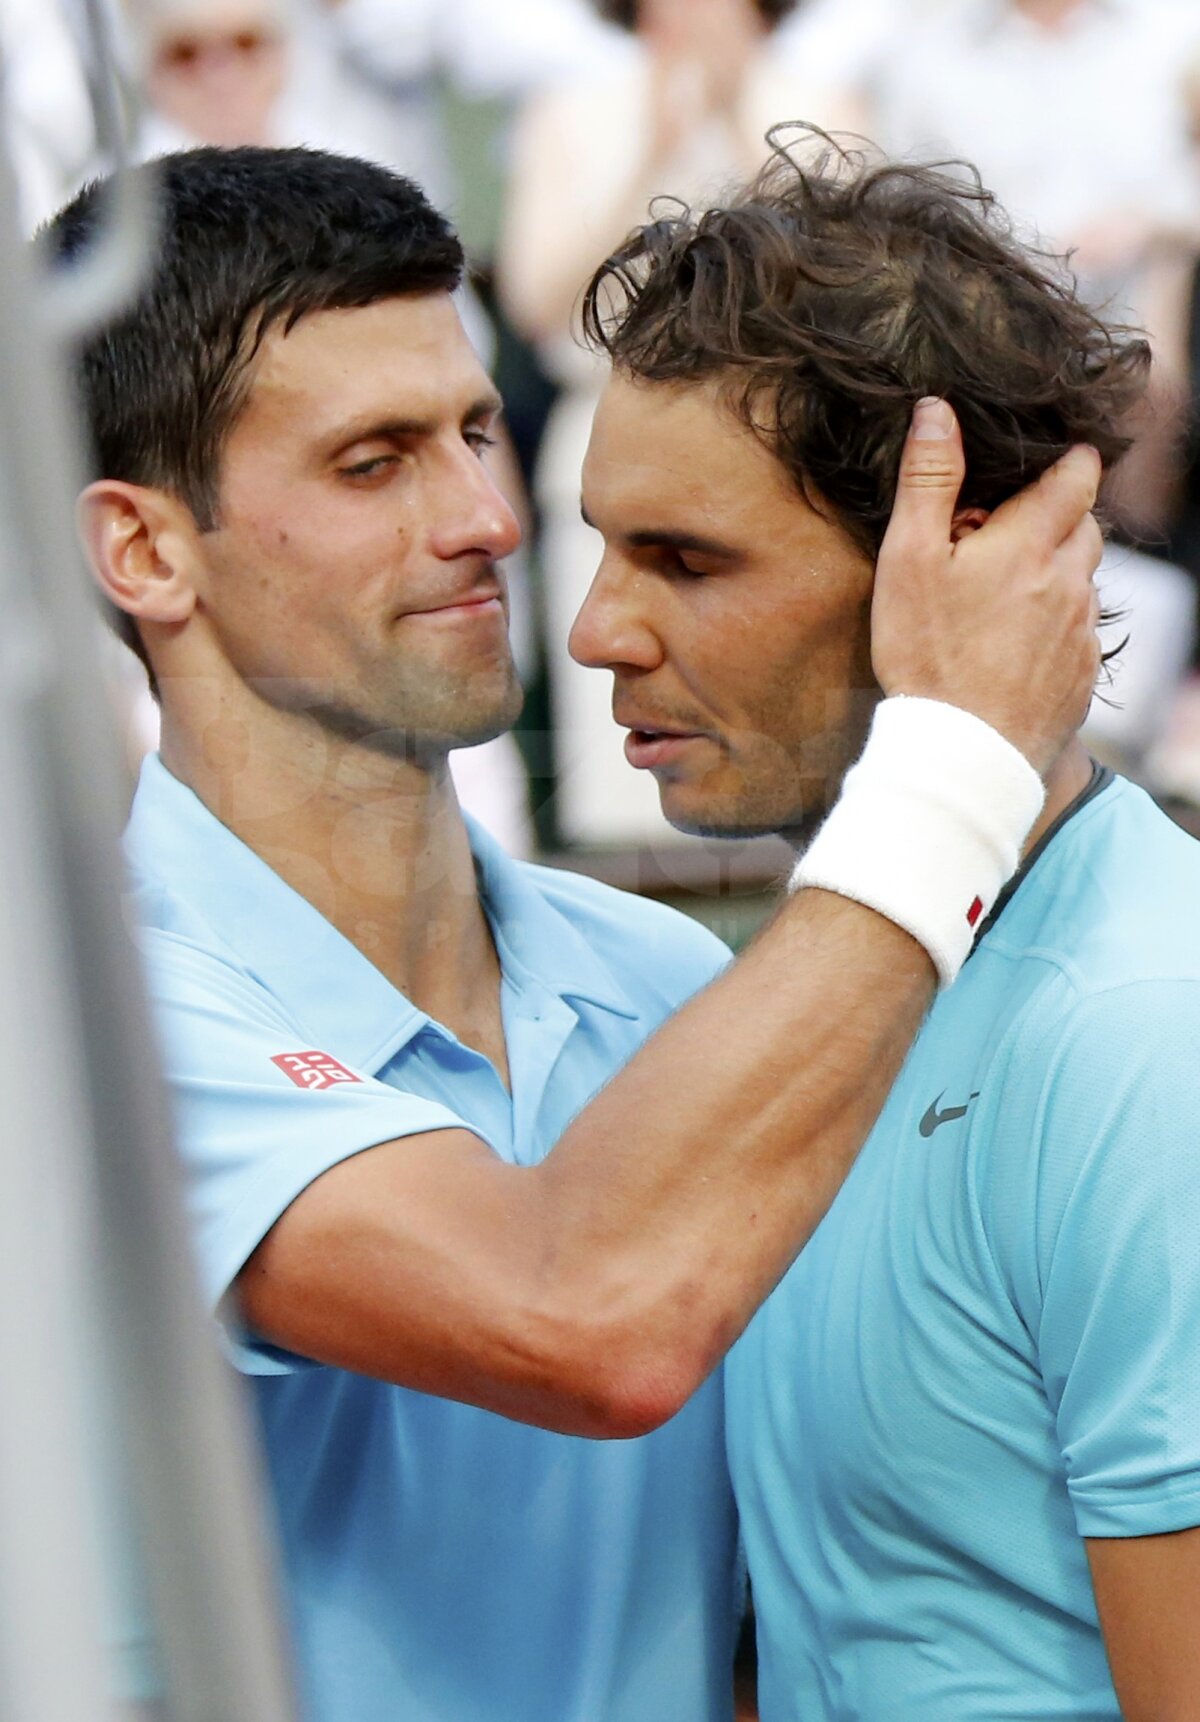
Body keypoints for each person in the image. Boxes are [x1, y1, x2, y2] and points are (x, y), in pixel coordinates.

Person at [51, 145, 1100, 1722]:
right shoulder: (85, 1032)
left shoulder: (671, 980)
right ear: (144, 550)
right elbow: (581, 1317)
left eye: (477, 431)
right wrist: (956, 761)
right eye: (371, 461)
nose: (481, 514)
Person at [570, 131, 1197, 1720]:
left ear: (965, 565)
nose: (595, 631)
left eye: (686, 560)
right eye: (601, 544)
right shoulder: (824, 997)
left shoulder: (1144, 1037)